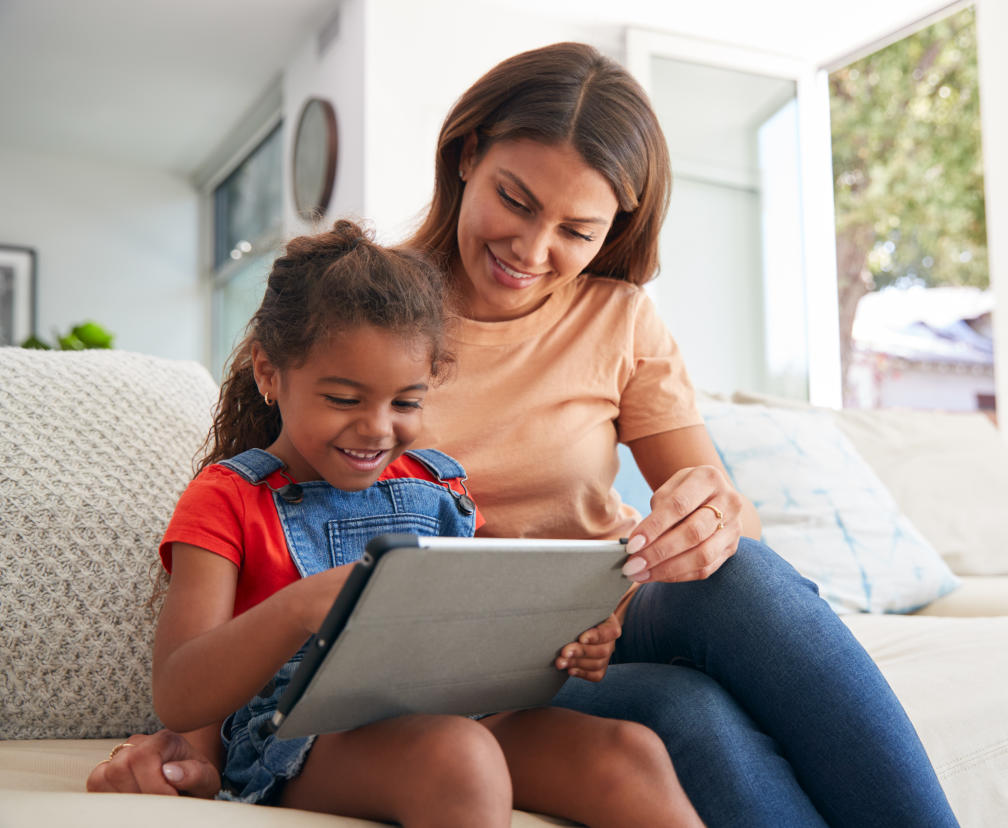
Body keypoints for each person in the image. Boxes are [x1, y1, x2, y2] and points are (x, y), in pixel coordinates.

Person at [90, 43, 959, 827]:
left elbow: (723, 535)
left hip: (602, 620)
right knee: (691, 714)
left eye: (577, 231)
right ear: (469, 156)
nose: (532, 248)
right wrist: (191, 742)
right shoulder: (367, 315)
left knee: (751, 577)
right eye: (515, 198)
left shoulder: (621, 319)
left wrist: (708, 514)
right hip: (464, 658)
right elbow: (250, 529)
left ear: (612, 230)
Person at [121, 218, 703, 827]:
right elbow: (179, 689)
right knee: (460, 757)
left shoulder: (438, 488)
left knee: (629, 753)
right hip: (300, 737)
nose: (378, 428)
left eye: (405, 402)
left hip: (457, 709)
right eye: (344, 399)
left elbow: (483, 625)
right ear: (270, 374)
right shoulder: (227, 499)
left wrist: (573, 640)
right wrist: (302, 607)